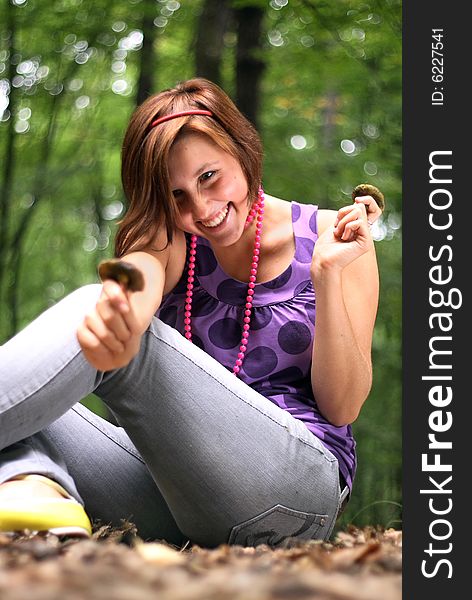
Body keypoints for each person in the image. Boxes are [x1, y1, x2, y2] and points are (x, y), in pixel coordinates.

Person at [0, 78, 380, 547]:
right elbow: (140, 272)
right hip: (179, 506)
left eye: (209, 177)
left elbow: (343, 406)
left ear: (241, 149)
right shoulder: (176, 242)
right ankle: (27, 481)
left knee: (95, 320)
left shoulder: (334, 238)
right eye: (176, 196)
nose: (202, 209)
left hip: (293, 497)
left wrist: (327, 274)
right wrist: (124, 305)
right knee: (39, 391)